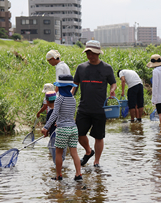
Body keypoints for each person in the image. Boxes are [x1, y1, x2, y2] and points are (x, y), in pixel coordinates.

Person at [72, 40, 117, 168]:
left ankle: (96, 161)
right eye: (88, 53)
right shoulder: (81, 68)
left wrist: (112, 90)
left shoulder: (107, 68)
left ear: (98, 53)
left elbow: (113, 83)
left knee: (99, 136)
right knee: (79, 134)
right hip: (84, 108)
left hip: (100, 108)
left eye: (93, 53)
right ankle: (88, 151)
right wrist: (69, 96)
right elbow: (75, 84)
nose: (90, 56)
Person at [41, 75, 81, 181]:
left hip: (62, 129)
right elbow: (68, 115)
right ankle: (78, 174)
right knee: (74, 153)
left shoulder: (59, 100)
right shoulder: (73, 99)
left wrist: (46, 127)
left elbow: (54, 114)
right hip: (73, 128)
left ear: (60, 87)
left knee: (58, 152)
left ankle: (59, 175)